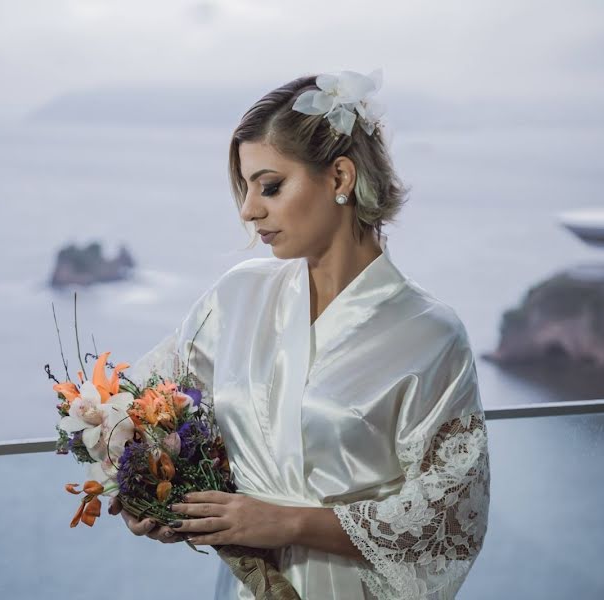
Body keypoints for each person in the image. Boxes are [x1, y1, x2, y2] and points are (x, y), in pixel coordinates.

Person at [110, 69, 491, 600]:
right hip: (255, 584)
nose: (249, 210)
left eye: (270, 186)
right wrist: (150, 492)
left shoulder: (430, 335)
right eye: (245, 189)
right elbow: (144, 404)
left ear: (339, 178)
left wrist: (283, 523)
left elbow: (448, 521)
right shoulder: (236, 297)